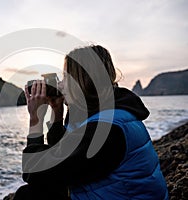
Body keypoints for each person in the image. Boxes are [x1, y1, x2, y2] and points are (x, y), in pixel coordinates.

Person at [12, 45, 168, 200]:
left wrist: (35, 120)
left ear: (81, 81)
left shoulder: (105, 130)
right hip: (112, 192)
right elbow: (62, 152)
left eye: (66, 78)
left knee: (27, 196)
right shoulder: (107, 110)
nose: (60, 84)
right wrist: (57, 113)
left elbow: (35, 172)